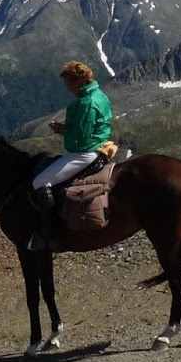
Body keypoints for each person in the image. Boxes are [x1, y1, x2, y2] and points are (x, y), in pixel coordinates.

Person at [28, 61, 113, 251]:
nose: (67, 88)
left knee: (39, 183)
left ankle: (50, 235)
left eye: (68, 83)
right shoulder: (97, 94)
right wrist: (66, 128)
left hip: (85, 152)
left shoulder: (86, 103)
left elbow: (81, 139)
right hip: (98, 146)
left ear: (77, 81)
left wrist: (62, 131)